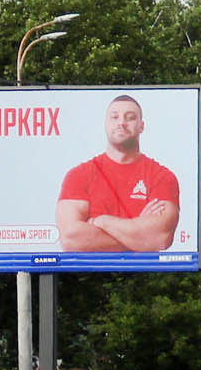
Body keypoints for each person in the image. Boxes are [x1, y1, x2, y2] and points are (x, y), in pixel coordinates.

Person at [55, 94, 182, 253]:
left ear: (141, 126)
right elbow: (70, 239)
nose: (121, 123)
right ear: (106, 124)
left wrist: (102, 221)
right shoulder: (79, 175)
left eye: (130, 118)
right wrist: (139, 236)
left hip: (147, 274)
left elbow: (160, 238)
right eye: (114, 117)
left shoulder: (162, 177)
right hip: (89, 274)